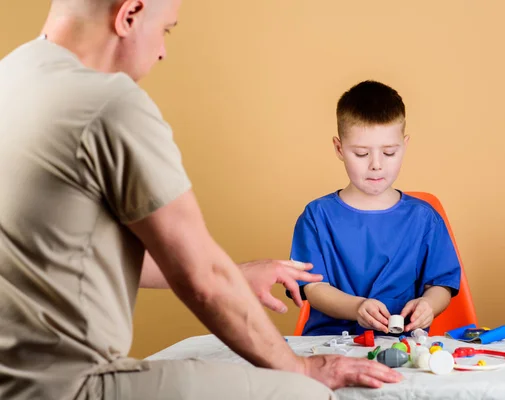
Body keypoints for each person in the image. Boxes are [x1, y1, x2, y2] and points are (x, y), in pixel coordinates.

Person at [0, 1, 403, 399]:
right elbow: (203, 280)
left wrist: (237, 274)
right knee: (307, 393)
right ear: (129, 14)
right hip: (72, 388)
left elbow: (67, 257)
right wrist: (299, 369)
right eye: (165, 30)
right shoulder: (110, 103)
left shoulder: (12, 77)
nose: (162, 50)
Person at [289, 80, 462, 336]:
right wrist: (357, 307)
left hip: (403, 347)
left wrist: (428, 305)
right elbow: (314, 289)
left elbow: (441, 285)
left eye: (390, 152)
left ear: (405, 145)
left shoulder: (424, 218)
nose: (376, 165)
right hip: (330, 346)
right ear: (339, 149)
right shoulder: (316, 217)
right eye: (361, 154)